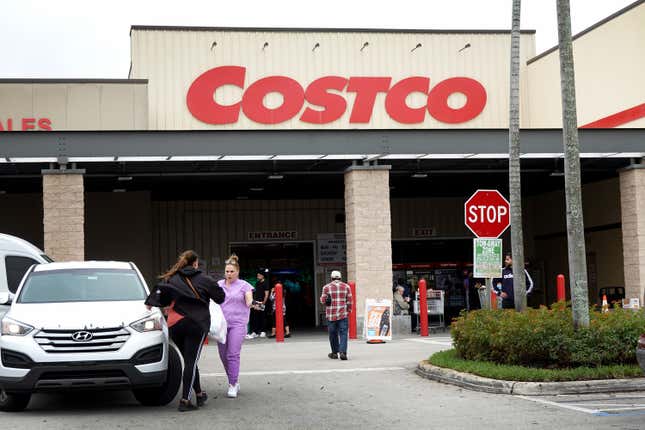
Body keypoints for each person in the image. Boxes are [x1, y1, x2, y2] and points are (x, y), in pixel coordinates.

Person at [144, 250, 225, 412]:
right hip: (196, 324)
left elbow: (161, 297)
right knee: (191, 362)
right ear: (195, 263)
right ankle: (185, 400)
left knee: (189, 360)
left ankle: (200, 394)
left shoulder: (172, 279)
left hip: (175, 324)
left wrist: (151, 301)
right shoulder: (205, 279)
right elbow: (220, 298)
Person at [217, 254, 254, 398]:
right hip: (222, 324)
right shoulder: (218, 285)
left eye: (232, 271)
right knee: (223, 355)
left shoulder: (244, 285)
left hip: (238, 324)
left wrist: (251, 303)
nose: (229, 274)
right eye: (227, 271)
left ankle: (232, 384)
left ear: (237, 272)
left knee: (232, 354)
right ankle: (234, 379)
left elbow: (249, 298)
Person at [320, 270, 353, 360]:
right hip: (343, 314)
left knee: (332, 334)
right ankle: (343, 352)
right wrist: (349, 309)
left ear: (331, 278)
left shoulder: (326, 287)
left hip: (331, 315)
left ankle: (334, 353)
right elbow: (349, 301)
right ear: (340, 277)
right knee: (343, 333)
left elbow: (323, 301)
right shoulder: (346, 287)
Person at [246, 267, 270, 339]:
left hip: (262, 302)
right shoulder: (257, 283)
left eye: (259, 275)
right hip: (256, 302)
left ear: (262, 276)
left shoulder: (266, 283)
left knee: (262, 317)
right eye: (257, 275)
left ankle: (263, 331)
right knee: (255, 317)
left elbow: (266, 294)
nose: (257, 276)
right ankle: (255, 332)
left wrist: (263, 303)